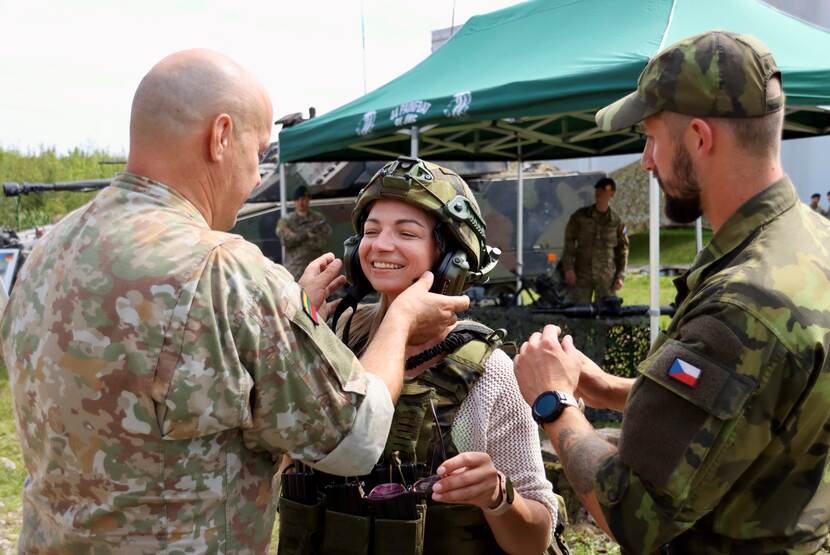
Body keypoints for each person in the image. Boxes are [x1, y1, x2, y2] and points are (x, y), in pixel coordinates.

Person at [0, 50, 469, 553]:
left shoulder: (51, 248)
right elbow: (355, 438)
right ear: (221, 136)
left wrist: (285, 318)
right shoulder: (226, 271)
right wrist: (398, 322)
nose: (253, 178)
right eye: (259, 152)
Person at [513, 31, 830, 554]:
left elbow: (631, 514)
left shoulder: (742, 305)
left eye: (652, 136)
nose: (646, 160)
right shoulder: (809, 241)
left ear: (701, 138)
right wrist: (607, 388)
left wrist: (554, 401)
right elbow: (750, 410)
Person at [279, 157, 560, 555]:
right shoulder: (335, 336)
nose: (380, 245)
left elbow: (534, 539)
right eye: (371, 231)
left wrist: (498, 496)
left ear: (451, 257)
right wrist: (298, 334)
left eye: (406, 233)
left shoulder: (488, 373)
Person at [560, 177, 628, 304]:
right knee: (578, 313)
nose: (599, 193)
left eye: (604, 190)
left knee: (607, 315)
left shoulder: (616, 221)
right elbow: (569, 243)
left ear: (611, 193)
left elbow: (622, 250)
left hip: (606, 279)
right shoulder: (580, 217)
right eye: (597, 190)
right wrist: (568, 268)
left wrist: (620, 276)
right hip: (582, 276)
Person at [276, 185, 332, 279]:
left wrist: (296, 235)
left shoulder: (318, 218)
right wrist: (306, 235)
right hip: (295, 269)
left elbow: (325, 238)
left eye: (304, 199)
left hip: (315, 266)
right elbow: (286, 241)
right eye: (298, 199)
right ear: (294, 202)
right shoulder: (286, 220)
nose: (301, 202)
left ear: (308, 200)